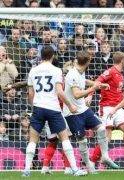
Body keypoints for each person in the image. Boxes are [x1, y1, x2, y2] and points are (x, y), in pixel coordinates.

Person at [22, 46, 87, 177]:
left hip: (38, 108)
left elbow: (30, 94)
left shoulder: (33, 70)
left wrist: (34, 104)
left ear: (41, 56)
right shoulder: (56, 70)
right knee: (65, 138)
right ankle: (74, 169)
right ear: (52, 56)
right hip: (53, 108)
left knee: (33, 140)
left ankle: (26, 170)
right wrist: (70, 105)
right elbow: (59, 91)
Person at [63, 51, 119, 171]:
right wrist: (93, 88)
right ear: (88, 62)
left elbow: (84, 81)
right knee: (82, 140)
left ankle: (104, 156)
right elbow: (77, 94)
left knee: (101, 128)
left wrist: (98, 84)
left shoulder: (80, 70)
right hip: (72, 112)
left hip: (83, 109)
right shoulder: (72, 74)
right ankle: (88, 164)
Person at [90, 51, 124, 170]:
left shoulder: (121, 75)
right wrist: (90, 95)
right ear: (122, 60)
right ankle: (91, 163)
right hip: (107, 107)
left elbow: (121, 96)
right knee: (107, 137)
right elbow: (97, 82)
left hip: (118, 108)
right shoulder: (110, 71)